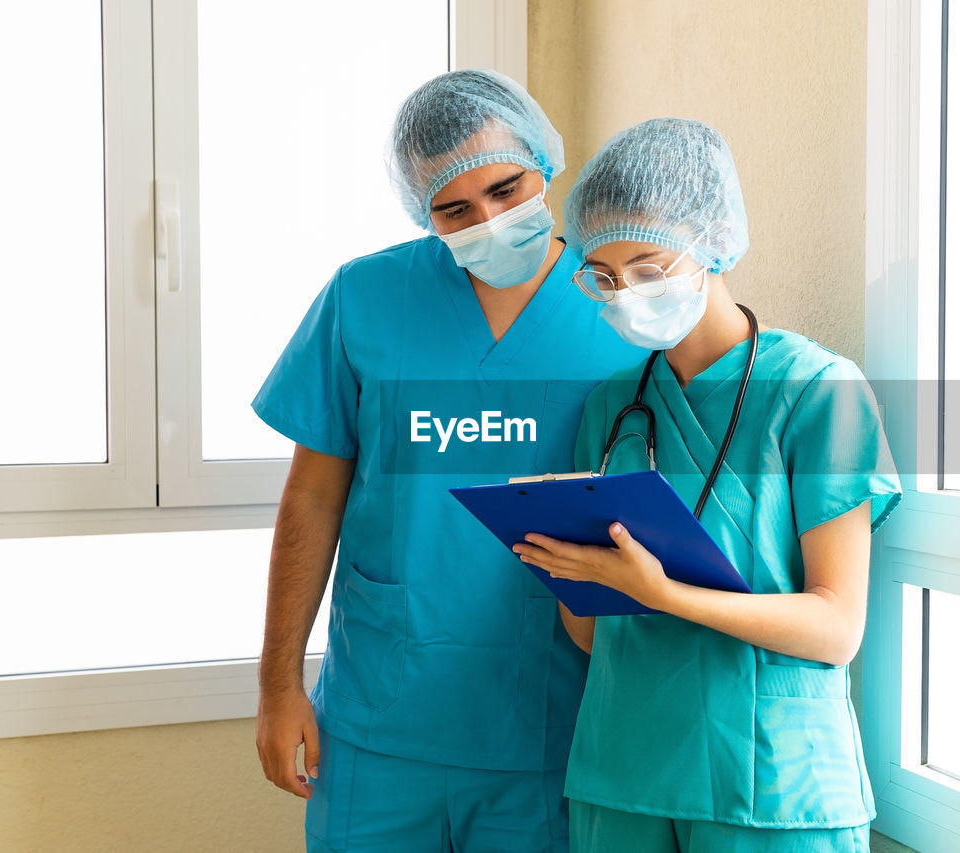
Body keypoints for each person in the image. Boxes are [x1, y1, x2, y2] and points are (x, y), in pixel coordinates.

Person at [250, 70, 644, 853]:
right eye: (454, 210)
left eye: (506, 188)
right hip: (381, 721)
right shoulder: (365, 298)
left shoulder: (619, 308)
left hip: (548, 724)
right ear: (418, 208)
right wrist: (277, 683)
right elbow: (312, 498)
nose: (490, 222)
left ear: (546, 162)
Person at [512, 118, 902, 853]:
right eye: (605, 276)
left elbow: (837, 627)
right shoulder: (611, 405)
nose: (626, 294)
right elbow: (592, 633)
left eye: (649, 268)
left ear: (713, 242)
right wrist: (568, 569)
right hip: (621, 774)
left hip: (771, 780)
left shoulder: (819, 392)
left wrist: (664, 593)